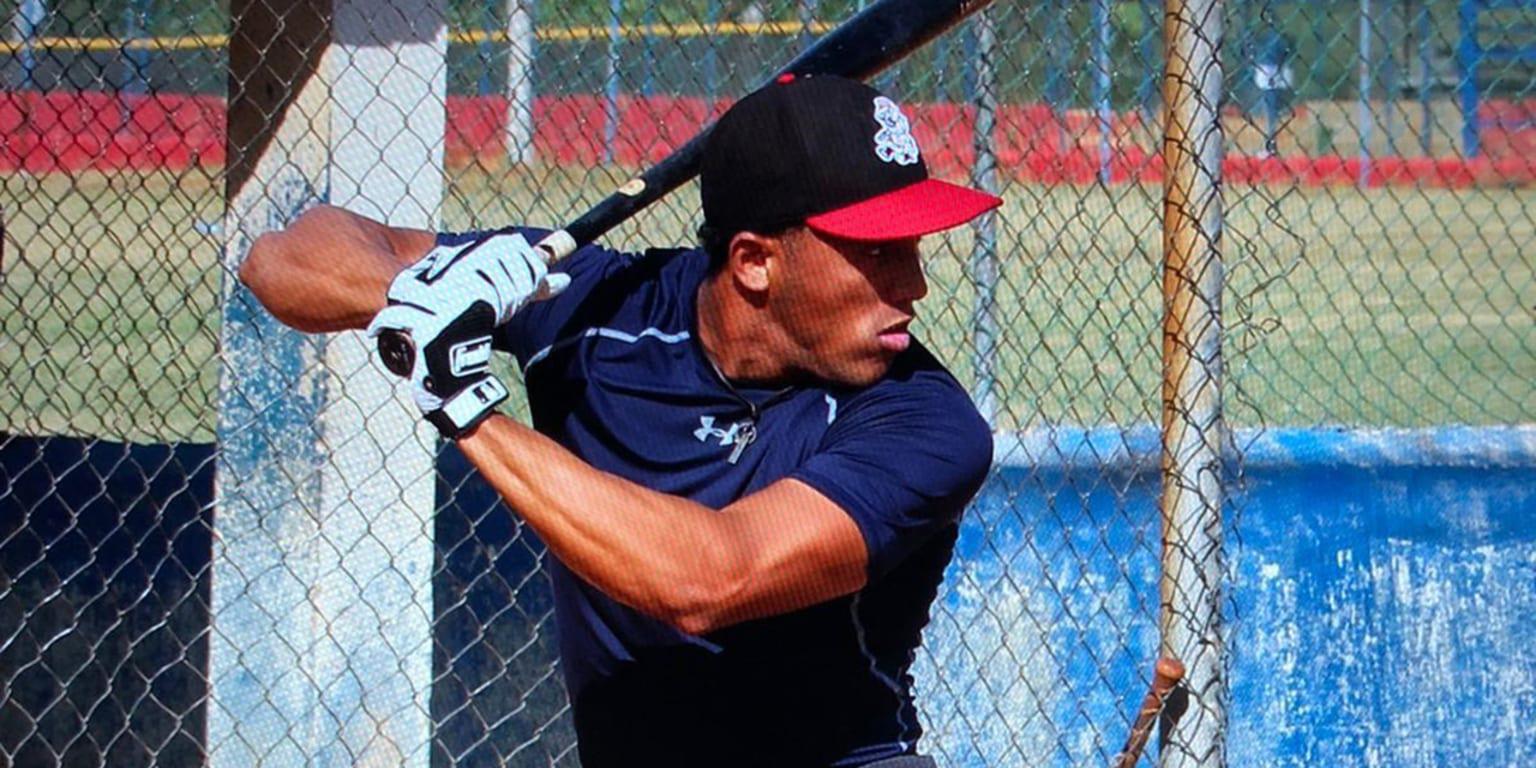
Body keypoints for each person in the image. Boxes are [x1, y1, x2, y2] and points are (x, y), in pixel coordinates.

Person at [241, 74, 1002, 768]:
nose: (916, 285)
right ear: (754, 262)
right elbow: (281, 260)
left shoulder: (926, 422)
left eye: (913, 247)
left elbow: (706, 577)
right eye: (878, 251)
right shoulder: (599, 309)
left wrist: (465, 404)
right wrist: (424, 287)